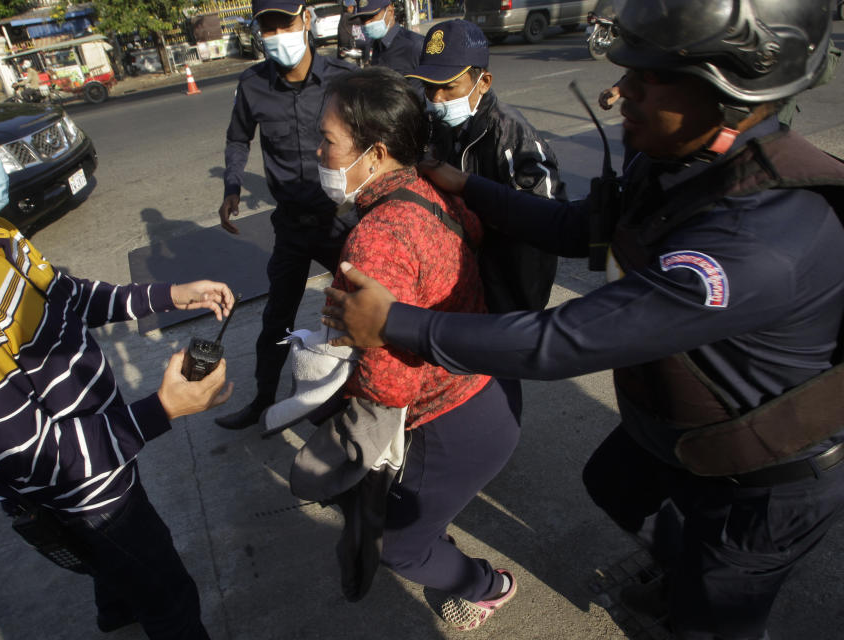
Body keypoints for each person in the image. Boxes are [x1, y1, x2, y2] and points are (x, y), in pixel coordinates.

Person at [321, 1, 844, 638]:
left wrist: (398, 323)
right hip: (687, 423)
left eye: (646, 81)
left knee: (715, 618)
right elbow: (580, 227)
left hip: (762, 471)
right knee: (615, 483)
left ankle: (700, 588)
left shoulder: (756, 241)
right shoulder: (686, 164)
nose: (616, 93)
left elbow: (567, 340)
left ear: (730, 91)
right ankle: (684, 567)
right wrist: (471, 187)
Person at [0, 55, 235, 639]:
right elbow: (38, 456)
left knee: (126, 578)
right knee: (169, 597)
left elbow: (64, 296)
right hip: (86, 492)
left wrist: (169, 294)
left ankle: (115, 610)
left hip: (104, 441)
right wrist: (166, 408)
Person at [317, 66, 522, 630]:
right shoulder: (425, 186)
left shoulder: (375, 239)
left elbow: (392, 385)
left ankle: (488, 585)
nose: (317, 151)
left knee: (400, 549)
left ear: (375, 152)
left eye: (327, 141)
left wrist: (338, 359)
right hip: (491, 387)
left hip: (452, 420)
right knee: (422, 513)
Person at [216, 0, 358, 430]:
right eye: (269, 26)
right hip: (292, 227)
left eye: (286, 23)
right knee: (276, 318)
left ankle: (363, 398)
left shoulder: (344, 81)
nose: (278, 35)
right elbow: (238, 138)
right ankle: (263, 400)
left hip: (342, 223)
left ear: (307, 20)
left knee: (361, 310)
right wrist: (232, 186)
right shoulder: (253, 84)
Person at [407, 19, 566, 312]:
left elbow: (546, 218)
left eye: (449, 88)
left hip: (507, 292)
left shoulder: (511, 134)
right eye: (429, 88)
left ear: (483, 82)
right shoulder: (432, 126)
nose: (437, 99)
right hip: (458, 283)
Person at [353, 0, 422, 78]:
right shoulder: (375, 45)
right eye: (363, 19)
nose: (366, 23)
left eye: (372, 17)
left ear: (390, 11)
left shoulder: (415, 45)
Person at [337, 0, 364, 65]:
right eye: (350, 7)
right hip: (348, 45)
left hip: (344, 45)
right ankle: (366, 63)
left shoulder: (343, 15)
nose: (352, 9)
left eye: (352, 7)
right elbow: (360, 21)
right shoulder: (348, 16)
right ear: (347, 8)